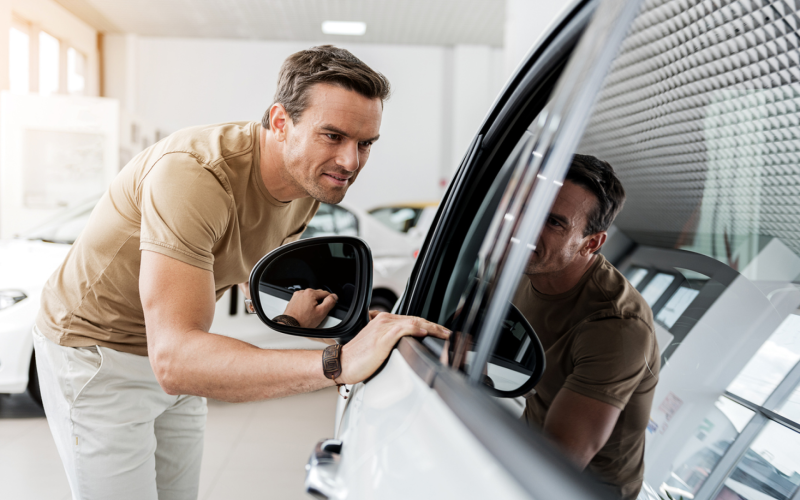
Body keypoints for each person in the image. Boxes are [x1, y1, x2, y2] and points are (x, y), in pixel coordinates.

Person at [32, 45, 449, 500]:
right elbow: (174, 359)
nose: (350, 162)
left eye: (365, 143)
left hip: (183, 348)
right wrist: (337, 363)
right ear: (279, 122)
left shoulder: (308, 183)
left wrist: (332, 326)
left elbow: (249, 286)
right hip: (97, 352)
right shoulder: (194, 176)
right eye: (332, 136)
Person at [512, 154, 659, 500]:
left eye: (554, 222)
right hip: (523, 450)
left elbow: (556, 459)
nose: (528, 228)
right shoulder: (520, 263)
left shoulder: (618, 325)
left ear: (591, 243)